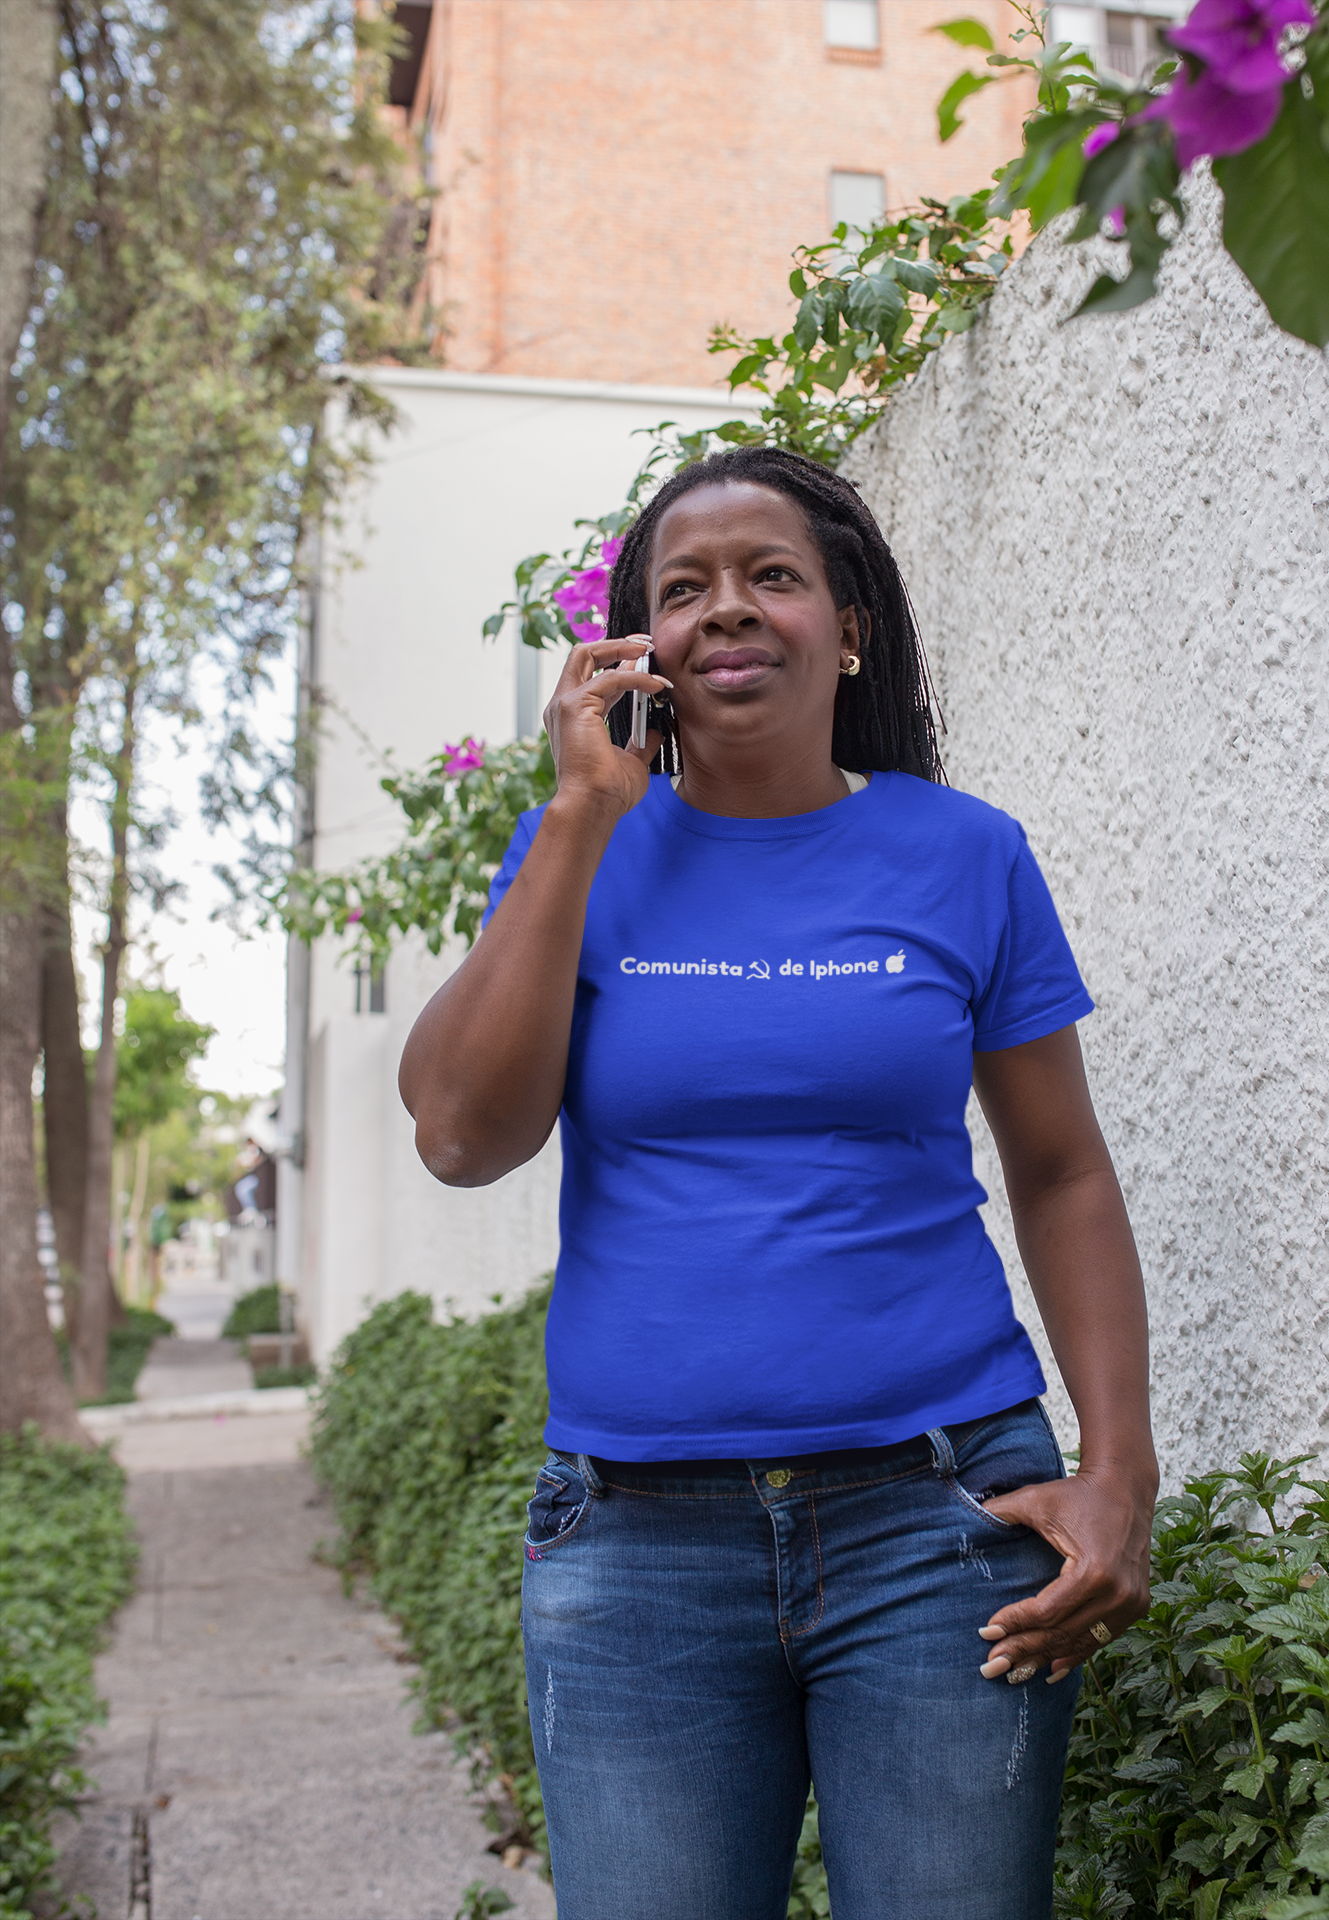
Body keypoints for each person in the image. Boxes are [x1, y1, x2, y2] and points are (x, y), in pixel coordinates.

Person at [399, 446, 1158, 1920]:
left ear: (849, 624)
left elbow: (1061, 1171)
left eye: (773, 577)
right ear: (638, 650)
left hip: (943, 1525)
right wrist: (573, 817)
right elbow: (459, 1134)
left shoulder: (965, 854)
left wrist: (1119, 1468)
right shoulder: (580, 857)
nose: (727, 612)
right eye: (684, 591)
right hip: (635, 1555)